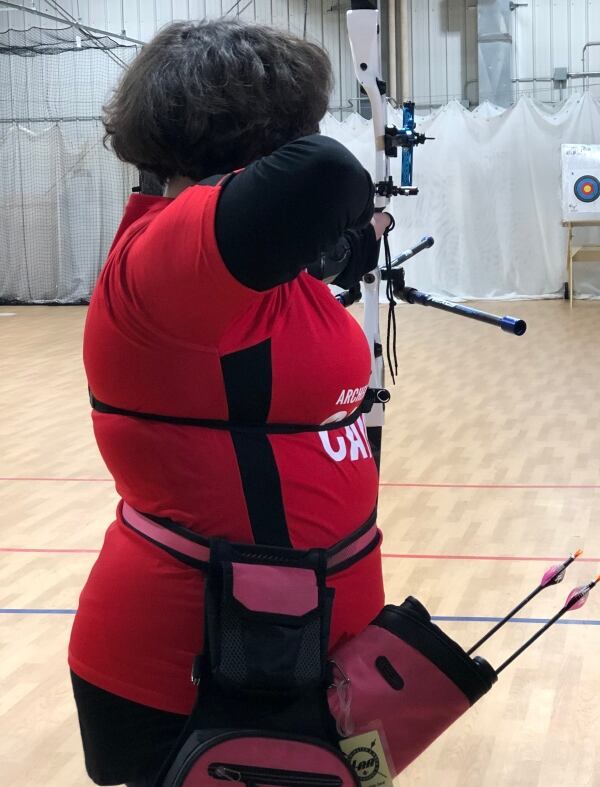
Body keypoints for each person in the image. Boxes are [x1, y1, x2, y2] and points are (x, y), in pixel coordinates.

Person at [68, 19, 390, 787]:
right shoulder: (158, 260)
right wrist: (337, 223)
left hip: (307, 649)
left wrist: (336, 249)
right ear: (245, 146)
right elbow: (324, 174)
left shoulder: (243, 271)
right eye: (287, 132)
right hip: (192, 672)